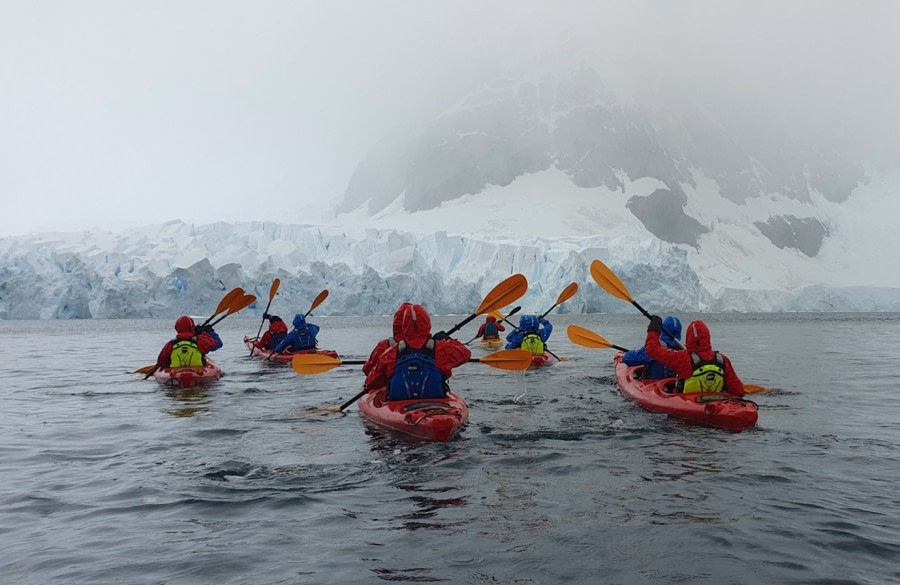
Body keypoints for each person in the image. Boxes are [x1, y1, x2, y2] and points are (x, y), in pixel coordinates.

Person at [364, 303, 472, 400]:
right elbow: (466, 354)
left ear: (403, 325)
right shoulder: (441, 348)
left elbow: (371, 383)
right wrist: (447, 339)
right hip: (436, 403)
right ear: (427, 323)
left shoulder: (390, 352)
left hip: (398, 405)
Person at [644, 316, 745, 396]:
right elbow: (739, 391)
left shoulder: (682, 358)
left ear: (689, 338)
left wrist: (653, 330)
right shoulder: (722, 360)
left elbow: (652, 349)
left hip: (687, 403)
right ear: (708, 337)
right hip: (715, 401)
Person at [156, 315, 223, 369]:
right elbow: (218, 343)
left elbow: (162, 363)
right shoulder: (200, 340)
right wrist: (209, 332)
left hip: (176, 373)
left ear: (177, 328)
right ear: (192, 327)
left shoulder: (171, 344)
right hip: (198, 372)